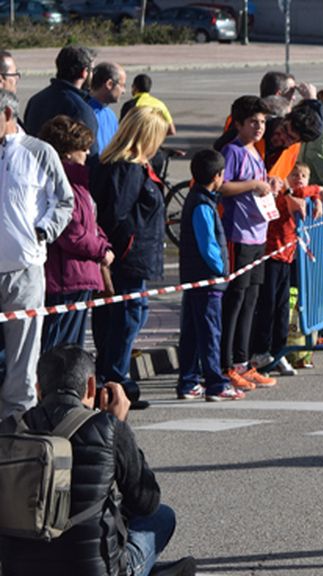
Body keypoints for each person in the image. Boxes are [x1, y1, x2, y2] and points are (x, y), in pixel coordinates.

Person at [0, 345, 196, 576]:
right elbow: (147, 502)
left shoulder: (9, 430)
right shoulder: (108, 428)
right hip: (96, 570)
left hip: (20, 570)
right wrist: (120, 426)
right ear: (92, 386)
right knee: (162, 516)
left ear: (38, 389)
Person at [0, 89, 73, 420]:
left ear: (7, 115)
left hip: (24, 269)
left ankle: (18, 420)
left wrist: (43, 230)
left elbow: (64, 200)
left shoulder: (39, 152)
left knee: (23, 352)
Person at [90, 107, 169, 410]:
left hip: (132, 254)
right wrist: (120, 251)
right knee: (126, 314)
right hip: (127, 256)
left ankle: (111, 375)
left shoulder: (125, 164)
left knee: (126, 314)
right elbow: (115, 215)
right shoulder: (126, 168)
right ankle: (114, 378)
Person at [218, 96, 284, 392]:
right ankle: (227, 363)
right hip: (239, 235)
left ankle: (243, 362)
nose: (260, 127)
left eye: (263, 122)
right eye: (254, 122)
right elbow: (223, 185)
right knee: (235, 301)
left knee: (251, 302)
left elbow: (258, 183)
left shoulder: (254, 151)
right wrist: (253, 185)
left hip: (259, 234)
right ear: (240, 124)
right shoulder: (232, 151)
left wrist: (270, 183)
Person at [36, 116, 113, 353]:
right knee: (59, 349)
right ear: (67, 153)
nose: (88, 153)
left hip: (77, 275)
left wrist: (103, 241)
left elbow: (90, 222)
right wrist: (101, 250)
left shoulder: (79, 183)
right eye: (83, 148)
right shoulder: (62, 184)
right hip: (66, 277)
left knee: (70, 348)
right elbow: (71, 233)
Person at [175, 149, 245, 401]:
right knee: (210, 332)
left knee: (193, 332)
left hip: (195, 277)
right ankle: (216, 383)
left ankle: (189, 381)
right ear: (217, 176)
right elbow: (208, 245)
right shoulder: (202, 204)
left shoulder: (198, 199)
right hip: (207, 279)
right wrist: (221, 271)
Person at [249, 162, 323, 376]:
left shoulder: (300, 196)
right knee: (268, 305)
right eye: (294, 174)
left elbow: (305, 193)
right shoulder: (283, 197)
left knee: (282, 308)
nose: (299, 178)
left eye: (304, 175)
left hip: (288, 257)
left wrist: (316, 198)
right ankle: (261, 351)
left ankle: (279, 352)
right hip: (272, 255)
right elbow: (299, 192)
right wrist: (319, 190)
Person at [23, 45, 99, 154]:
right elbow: (90, 153)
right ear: (84, 72)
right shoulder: (81, 109)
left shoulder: (35, 100)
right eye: (92, 70)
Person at [87, 62, 126, 153]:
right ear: (109, 84)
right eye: (122, 85)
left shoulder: (110, 115)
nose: (124, 91)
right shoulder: (86, 113)